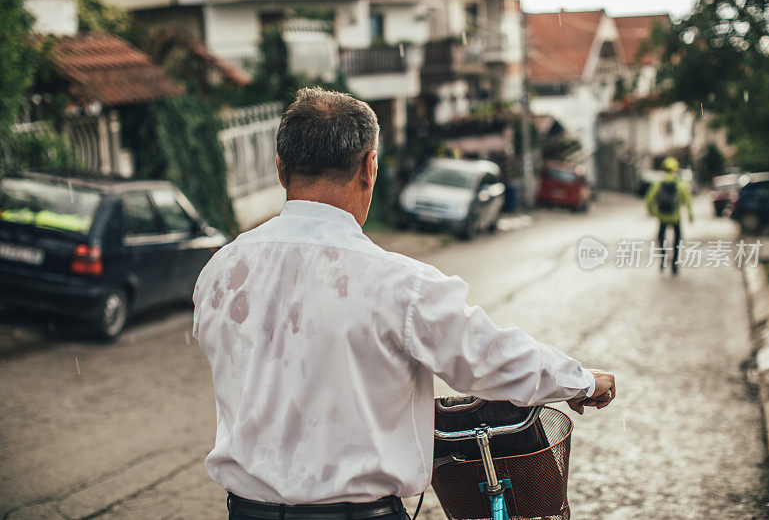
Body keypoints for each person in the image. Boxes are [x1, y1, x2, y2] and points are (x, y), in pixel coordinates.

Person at [193, 88, 616, 520]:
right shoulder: (399, 284)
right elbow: (488, 358)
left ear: (281, 171)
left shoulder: (221, 273)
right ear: (369, 168)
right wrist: (582, 381)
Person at [645, 157, 694, 275]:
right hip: (675, 217)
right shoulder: (680, 184)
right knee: (677, 240)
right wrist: (690, 214)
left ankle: (663, 260)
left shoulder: (659, 183)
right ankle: (675, 264)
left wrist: (653, 212)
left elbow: (649, 199)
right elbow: (687, 199)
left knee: (661, 237)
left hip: (662, 216)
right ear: (675, 169)